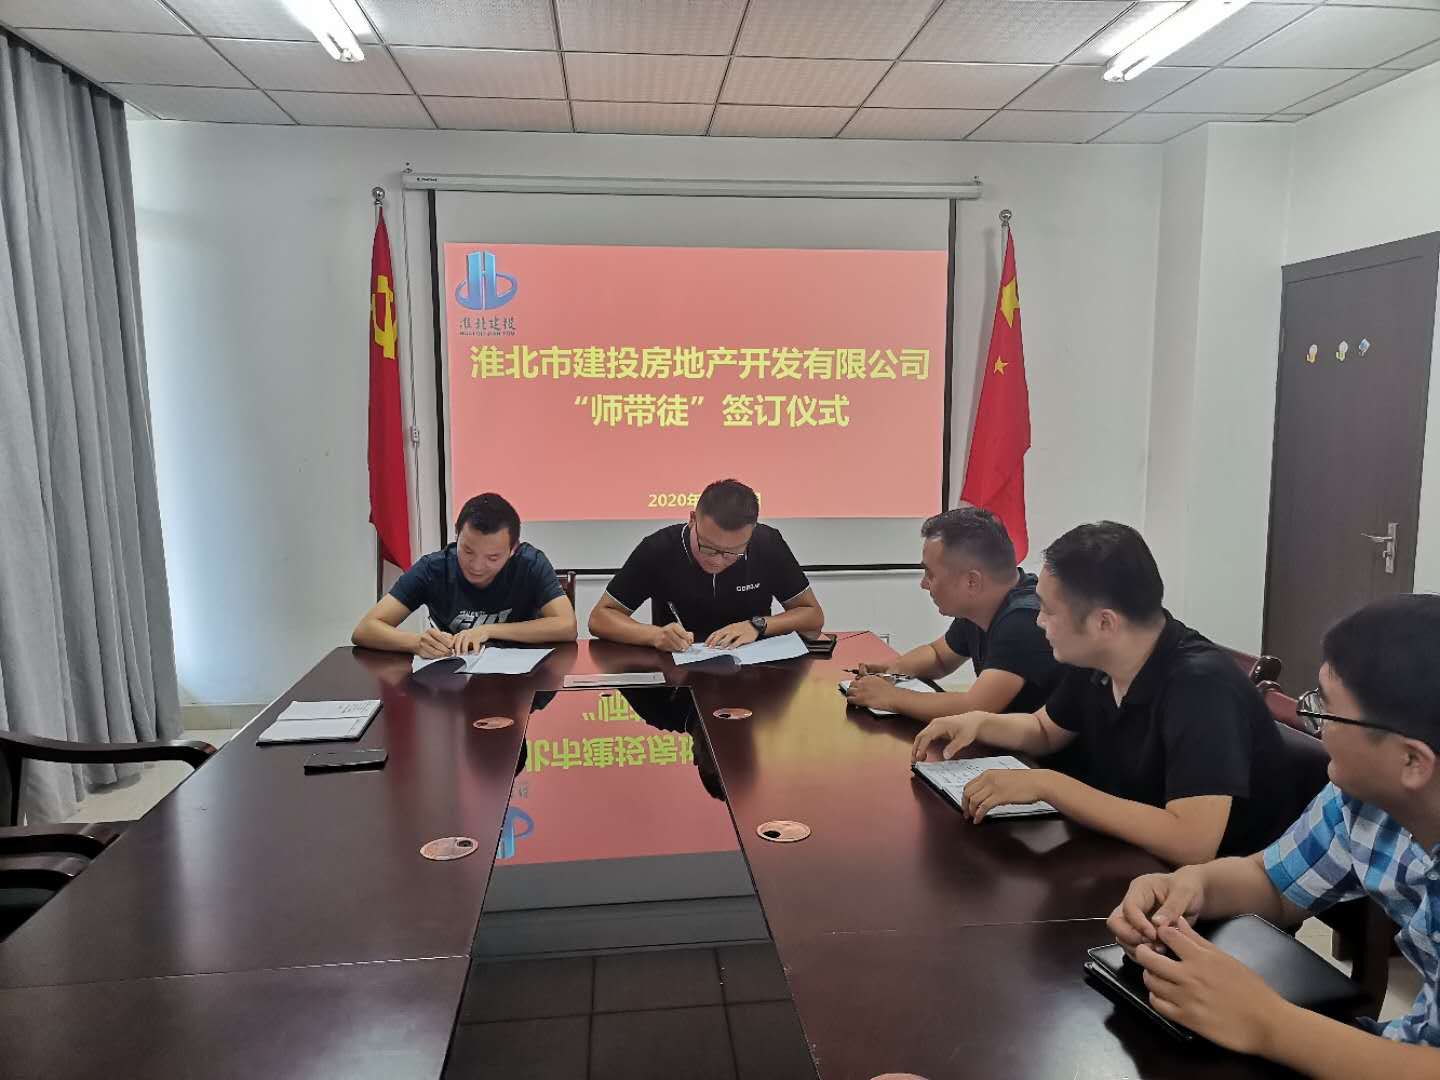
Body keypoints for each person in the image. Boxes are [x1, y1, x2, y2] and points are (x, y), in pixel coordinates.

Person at [1107, 595, 1440, 1077]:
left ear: (1412, 761)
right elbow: (1273, 881)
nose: (1311, 722)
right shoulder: (1362, 798)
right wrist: (1192, 885)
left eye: (1327, 711)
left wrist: (1267, 1022)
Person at [912, 522, 1300, 866]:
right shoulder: (1098, 658)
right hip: (1128, 858)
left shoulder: (1201, 687)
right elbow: (1044, 730)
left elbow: (1191, 842)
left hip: (1209, 892)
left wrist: (1047, 785)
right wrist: (978, 722)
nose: (1039, 621)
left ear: (1104, 623)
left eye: (1048, 610)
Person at [846, 507, 1064, 722]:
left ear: (972, 581)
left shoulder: (1025, 620)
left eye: (930, 574)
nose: (923, 584)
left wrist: (891, 697)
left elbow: (975, 707)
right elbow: (938, 657)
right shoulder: (983, 604)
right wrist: (892, 670)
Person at [588, 478, 824, 651]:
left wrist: (758, 625)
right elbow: (600, 618)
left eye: (733, 552)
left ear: (752, 531)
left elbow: (812, 616)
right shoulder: (659, 548)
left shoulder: (768, 544)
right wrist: (654, 635)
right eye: (709, 548)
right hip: (678, 676)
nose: (717, 560)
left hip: (755, 674)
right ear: (692, 520)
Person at [352, 492, 576, 657]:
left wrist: (488, 631)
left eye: (493, 558)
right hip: (457, 680)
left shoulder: (529, 564)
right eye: (467, 551)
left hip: (524, 682)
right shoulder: (434, 569)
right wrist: (416, 642)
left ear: (513, 550)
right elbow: (365, 629)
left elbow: (566, 626)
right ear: (457, 535)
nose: (477, 566)